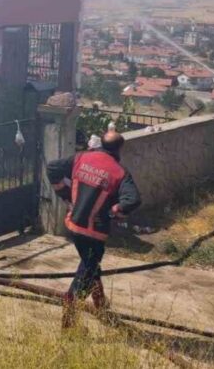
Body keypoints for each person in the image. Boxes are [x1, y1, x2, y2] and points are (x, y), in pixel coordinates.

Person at [46, 129, 141, 329]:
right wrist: (113, 211)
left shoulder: (81, 158)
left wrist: (64, 194)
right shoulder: (120, 172)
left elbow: (52, 167)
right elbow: (133, 200)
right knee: (87, 271)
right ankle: (69, 315)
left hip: (73, 225)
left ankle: (100, 303)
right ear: (119, 148)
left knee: (90, 266)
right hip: (95, 233)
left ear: (102, 144)